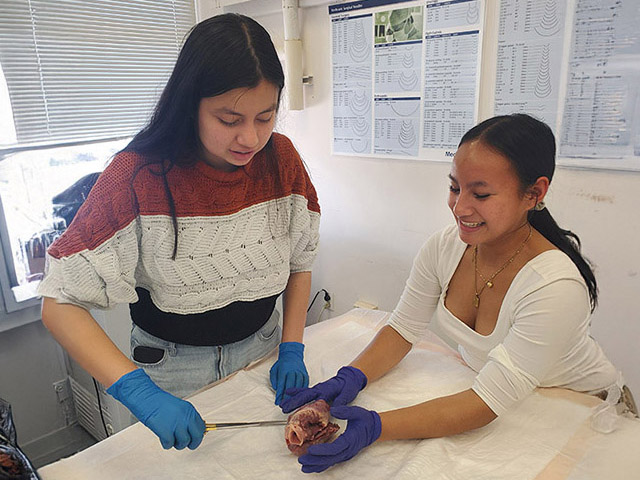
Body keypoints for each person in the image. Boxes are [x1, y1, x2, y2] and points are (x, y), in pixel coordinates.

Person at [281, 114, 632, 473]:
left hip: (580, 409)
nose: (460, 207)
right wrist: (350, 377)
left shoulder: (554, 286)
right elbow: (403, 329)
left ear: (534, 194)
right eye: (455, 187)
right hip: (510, 398)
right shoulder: (444, 248)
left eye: (480, 194)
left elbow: (486, 401)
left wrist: (376, 427)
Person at [38, 13, 320, 451]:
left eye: (265, 117)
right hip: (170, 372)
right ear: (190, 104)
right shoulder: (137, 175)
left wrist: (292, 347)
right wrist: (141, 395)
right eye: (230, 119)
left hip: (264, 350)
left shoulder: (280, 160)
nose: (250, 137)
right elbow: (59, 303)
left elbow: (300, 261)